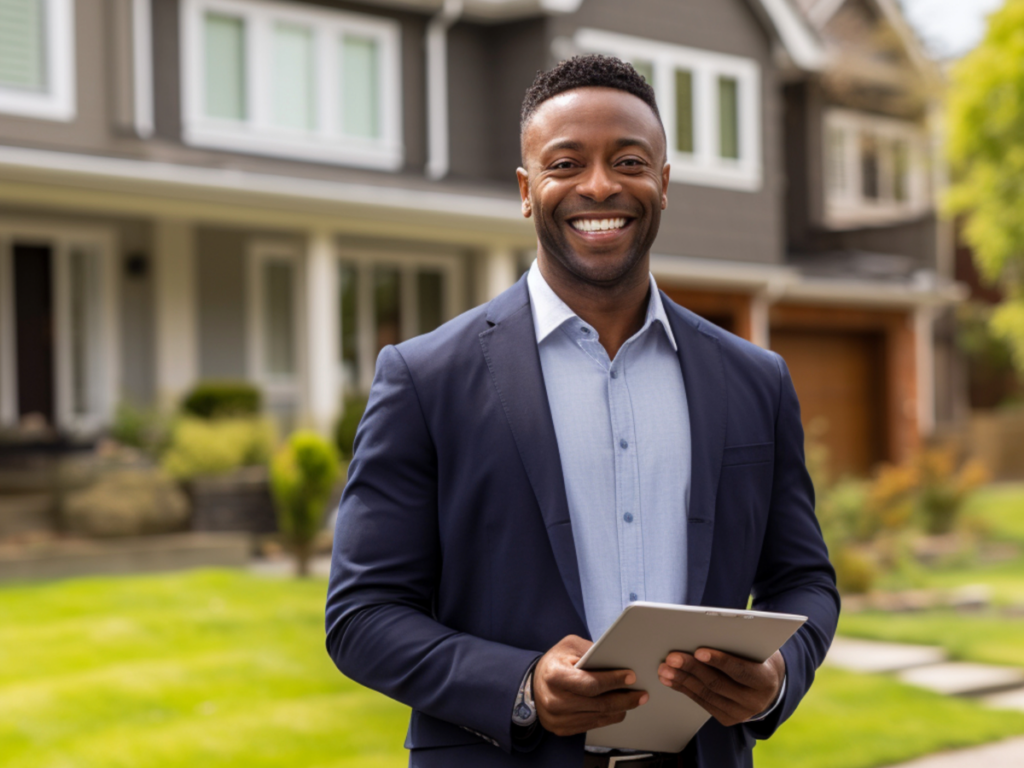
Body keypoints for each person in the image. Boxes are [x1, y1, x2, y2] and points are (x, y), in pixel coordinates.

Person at [325, 55, 839, 768]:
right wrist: (522, 684)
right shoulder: (424, 378)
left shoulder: (755, 379)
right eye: (566, 163)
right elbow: (362, 617)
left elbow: (803, 579)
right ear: (527, 190)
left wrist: (778, 676)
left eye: (628, 160)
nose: (600, 185)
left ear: (662, 183)